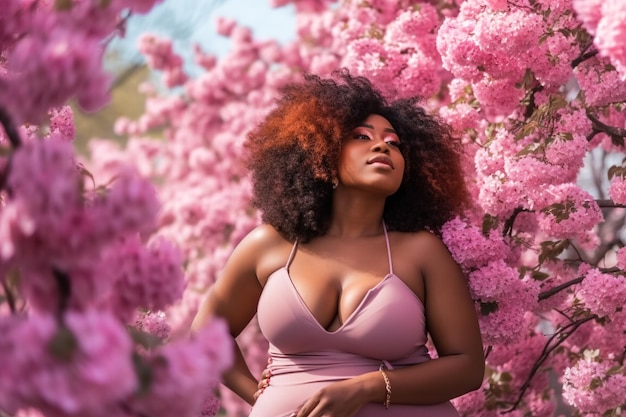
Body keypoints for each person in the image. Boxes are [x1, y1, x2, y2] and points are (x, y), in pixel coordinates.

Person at [191, 70, 485, 417]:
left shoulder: (422, 251)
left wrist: (367, 388)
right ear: (321, 151)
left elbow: (467, 367)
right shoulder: (269, 246)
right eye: (361, 136)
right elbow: (207, 335)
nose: (382, 146)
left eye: (394, 143)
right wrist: (261, 399)